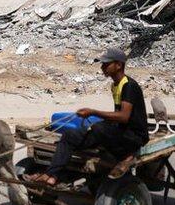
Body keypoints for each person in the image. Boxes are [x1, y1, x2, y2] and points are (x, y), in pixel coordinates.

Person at [29, 47, 148, 185]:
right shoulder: (115, 85)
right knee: (69, 135)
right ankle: (51, 175)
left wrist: (93, 112)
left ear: (119, 65)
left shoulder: (129, 86)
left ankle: (127, 155)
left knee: (99, 127)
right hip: (120, 132)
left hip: (134, 136)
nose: (102, 67)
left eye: (106, 64)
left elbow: (124, 117)